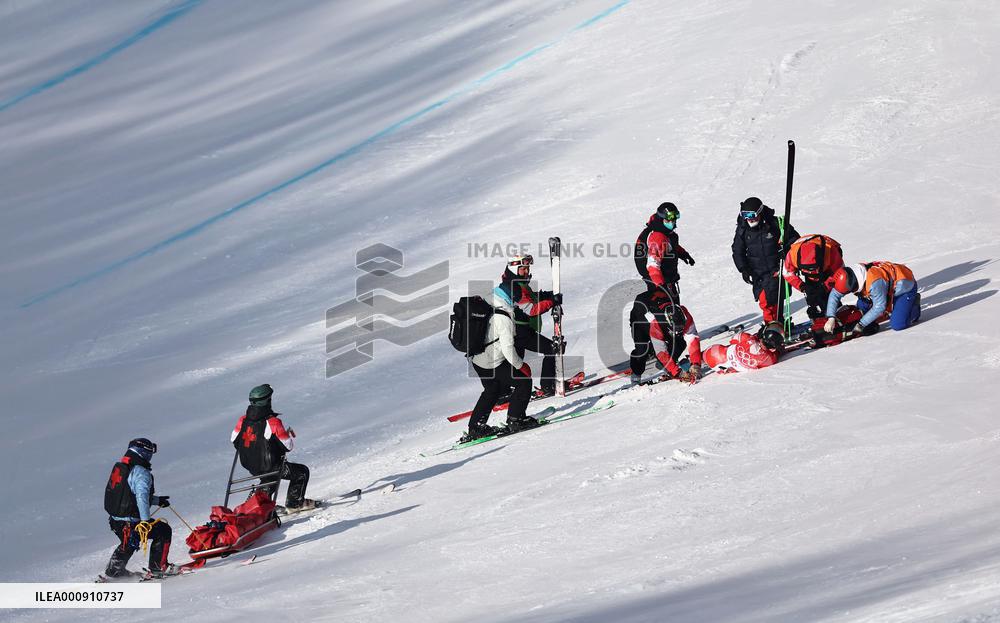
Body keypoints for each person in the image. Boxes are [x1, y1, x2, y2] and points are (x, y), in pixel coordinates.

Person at [464, 280, 537, 441]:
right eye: (518, 300)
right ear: (511, 298)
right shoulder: (503, 317)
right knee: (523, 381)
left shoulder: (489, 301)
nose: (519, 304)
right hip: (492, 362)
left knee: (492, 390)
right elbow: (507, 348)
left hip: (477, 359)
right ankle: (516, 419)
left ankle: (475, 427)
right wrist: (521, 365)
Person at [231, 384, 313, 511]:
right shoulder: (273, 422)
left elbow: (234, 440)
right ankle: (295, 503)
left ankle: (261, 505)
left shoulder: (243, 420)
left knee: (269, 477)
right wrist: (284, 435)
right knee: (301, 472)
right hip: (270, 466)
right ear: (267, 401)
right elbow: (288, 446)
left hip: (250, 464)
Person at [103, 438, 174, 578]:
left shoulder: (122, 468)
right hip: (131, 521)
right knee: (163, 531)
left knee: (129, 542)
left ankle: (114, 571)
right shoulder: (141, 472)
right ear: (144, 453)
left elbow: (127, 494)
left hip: (116, 520)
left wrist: (157, 501)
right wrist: (145, 521)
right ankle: (158, 568)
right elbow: (141, 497)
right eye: (150, 452)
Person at [501, 255, 563, 396]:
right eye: (523, 268)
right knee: (551, 349)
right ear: (514, 269)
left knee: (515, 362)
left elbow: (530, 297)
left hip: (518, 331)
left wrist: (547, 295)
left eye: (527, 268)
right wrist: (552, 301)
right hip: (520, 332)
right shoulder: (514, 287)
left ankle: (503, 392)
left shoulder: (515, 283)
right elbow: (531, 309)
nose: (527, 271)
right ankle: (547, 385)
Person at [731, 197, 800, 322]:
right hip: (758, 273)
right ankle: (774, 323)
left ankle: (773, 323)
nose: (749, 219)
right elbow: (737, 250)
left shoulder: (774, 224)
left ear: (760, 212)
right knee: (766, 300)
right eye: (745, 215)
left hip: (776, 268)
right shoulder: (743, 229)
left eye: (752, 215)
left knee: (772, 299)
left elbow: (794, 240)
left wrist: (786, 251)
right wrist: (743, 269)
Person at [824, 261, 921, 336]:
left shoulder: (874, 282)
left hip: (904, 286)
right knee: (861, 309)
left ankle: (914, 307)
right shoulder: (849, 276)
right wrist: (831, 317)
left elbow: (880, 307)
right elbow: (835, 294)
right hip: (883, 288)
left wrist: (861, 324)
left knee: (898, 324)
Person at [629, 291, 703, 383]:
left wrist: (696, 364)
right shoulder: (656, 323)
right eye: (675, 329)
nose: (677, 332)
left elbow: (692, 339)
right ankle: (636, 373)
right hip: (640, 321)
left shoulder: (686, 315)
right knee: (642, 349)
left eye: (680, 328)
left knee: (680, 341)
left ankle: (666, 364)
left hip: (659, 309)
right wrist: (677, 372)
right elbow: (661, 352)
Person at [634, 202, 695, 302]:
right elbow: (653, 264)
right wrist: (660, 285)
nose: (672, 222)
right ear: (661, 218)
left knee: (673, 308)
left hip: (665, 279)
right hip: (658, 281)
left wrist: (683, 254)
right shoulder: (658, 237)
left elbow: (669, 246)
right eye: (669, 219)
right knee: (668, 309)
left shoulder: (664, 231)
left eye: (674, 219)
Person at [783, 234, 844, 319]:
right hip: (807, 256)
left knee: (828, 293)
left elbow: (840, 273)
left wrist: (826, 286)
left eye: (814, 269)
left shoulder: (830, 251)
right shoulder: (793, 255)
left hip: (828, 264)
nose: (812, 272)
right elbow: (787, 273)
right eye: (808, 270)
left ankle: (837, 313)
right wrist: (802, 286)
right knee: (812, 293)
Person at [702, 322, 785, 374]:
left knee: (726, 348)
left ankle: (700, 358)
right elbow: (776, 354)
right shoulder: (768, 359)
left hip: (715, 354)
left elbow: (733, 340)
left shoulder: (747, 337)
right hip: (725, 367)